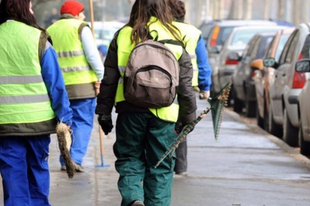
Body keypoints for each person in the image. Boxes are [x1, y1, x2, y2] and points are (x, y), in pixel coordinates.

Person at [95, 0, 197, 205]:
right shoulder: (175, 36)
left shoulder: (124, 35)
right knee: (161, 165)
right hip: (165, 114)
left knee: (129, 159)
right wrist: (188, 119)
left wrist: (104, 113)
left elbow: (109, 80)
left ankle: (133, 198)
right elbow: (185, 86)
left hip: (129, 109)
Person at [0, 0, 72, 205]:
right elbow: (55, 84)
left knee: (12, 176)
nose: (32, 10)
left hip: (5, 123)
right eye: (30, 6)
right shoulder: (38, 38)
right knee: (37, 172)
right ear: (22, 8)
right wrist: (65, 118)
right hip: (37, 122)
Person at [47, 0, 104, 172]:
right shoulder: (81, 27)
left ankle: (65, 159)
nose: (84, 15)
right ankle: (74, 159)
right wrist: (101, 77)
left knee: (65, 123)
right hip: (82, 86)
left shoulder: (50, 30)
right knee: (82, 122)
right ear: (75, 13)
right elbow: (93, 56)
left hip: (58, 87)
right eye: (82, 12)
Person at [170, 0, 213, 176]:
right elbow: (203, 63)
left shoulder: (159, 29)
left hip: (164, 84)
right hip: (188, 86)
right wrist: (205, 87)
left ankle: (164, 161)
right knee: (183, 125)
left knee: (165, 123)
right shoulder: (194, 32)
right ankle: (180, 167)